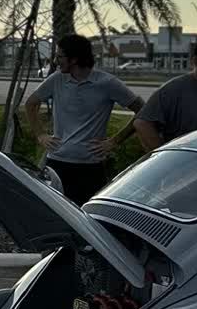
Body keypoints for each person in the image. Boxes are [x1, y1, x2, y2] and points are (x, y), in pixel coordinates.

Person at [22, 34, 144, 204]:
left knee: (86, 214)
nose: (56, 61)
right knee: (53, 211)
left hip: (91, 167)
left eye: (60, 57)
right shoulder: (57, 79)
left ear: (74, 59)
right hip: (57, 163)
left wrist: (115, 141)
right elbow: (30, 104)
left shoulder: (107, 83)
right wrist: (40, 135)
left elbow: (143, 111)